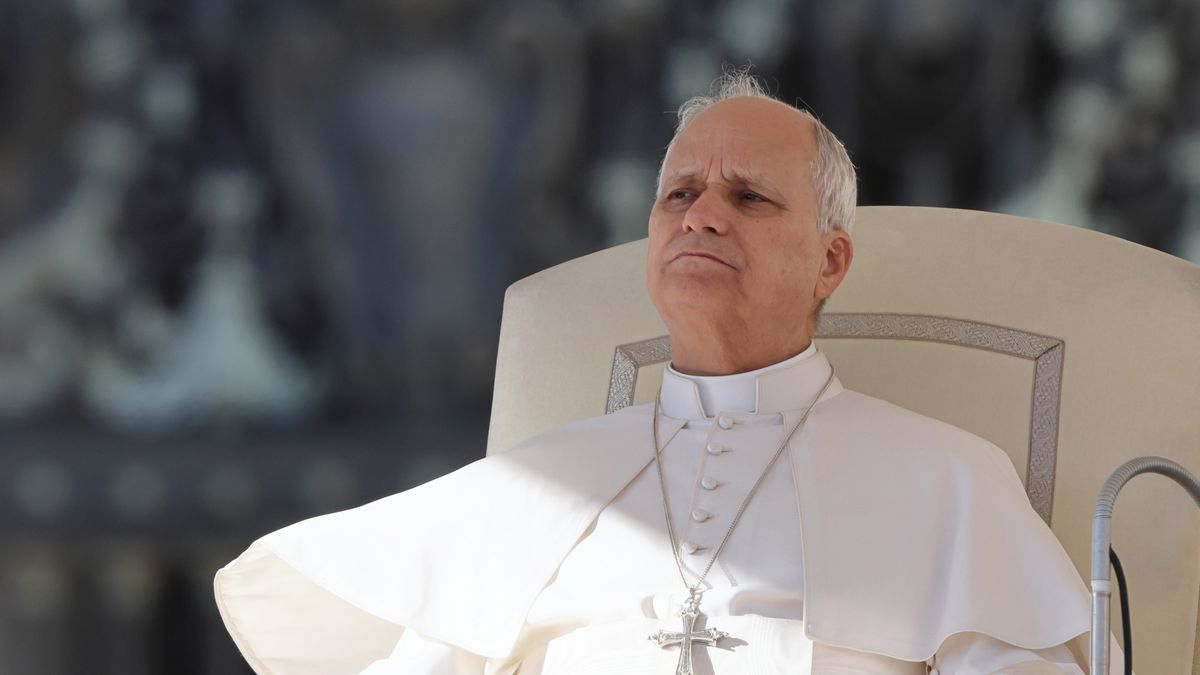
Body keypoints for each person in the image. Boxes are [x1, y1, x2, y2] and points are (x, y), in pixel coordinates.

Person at [214, 72, 1113, 674]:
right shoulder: (531, 490)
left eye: (748, 196)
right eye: (680, 194)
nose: (701, 216)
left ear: (830, 261)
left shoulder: (947, 480)